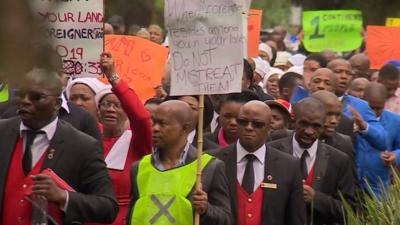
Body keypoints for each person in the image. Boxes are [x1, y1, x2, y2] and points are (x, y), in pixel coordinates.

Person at [0, 67, 118, 224]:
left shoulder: (82, 146)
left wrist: (63, 196)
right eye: (21, 95)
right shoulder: (2, 132)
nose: (25, 101)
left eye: (36, 97)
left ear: (57, 104)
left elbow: (108, 208)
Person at [127, 100, 231, 225]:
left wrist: (206, 209)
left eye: (162, 123)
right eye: (153, 122)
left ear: (184, 128)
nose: (155, 128)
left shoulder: (209, 167)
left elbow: (225, 219)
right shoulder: (139, 168)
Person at [211, 101, 306, 225]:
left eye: (257, 124)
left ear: (268, 128)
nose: (249, 127)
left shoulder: (289, 165)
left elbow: (295, 218)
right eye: (243, 122)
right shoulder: (213, 160)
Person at [268, 97, 356, 225]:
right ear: (293, 121)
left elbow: (350, 211)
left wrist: (316, 198)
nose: (309, 131)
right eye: (304, 124)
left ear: (323, 125)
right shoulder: (271, 151)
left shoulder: (338, 160)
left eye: (316, 126)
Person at [91, 52, 153, 225]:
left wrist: (112, 77)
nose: (111, 109)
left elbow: (142, 118)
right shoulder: (87, 139)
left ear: (127, 111)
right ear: (98, 110)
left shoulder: (137, 142)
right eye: (106, 104)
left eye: (118, 105)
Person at [328, 58, 387, 151]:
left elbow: (382, 141)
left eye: (348, 73)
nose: (344, 76)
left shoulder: (361, 106)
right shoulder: (311, 101)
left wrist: (363, 126)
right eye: (338, 71)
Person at [362, 83, 400, 196]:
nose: (374, 113)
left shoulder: (395, 121)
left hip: (379, 188)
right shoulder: (351, 117)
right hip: (353, 184)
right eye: (370, 107)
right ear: (363, 100)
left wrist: (395, 156)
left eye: (379, 108)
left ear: (385, 103)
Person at [311, 91, 356, 180]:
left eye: (337, 115)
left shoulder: (344, 145)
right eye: (328, 114)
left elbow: (349, 188)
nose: (334, 121)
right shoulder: (286, 141)